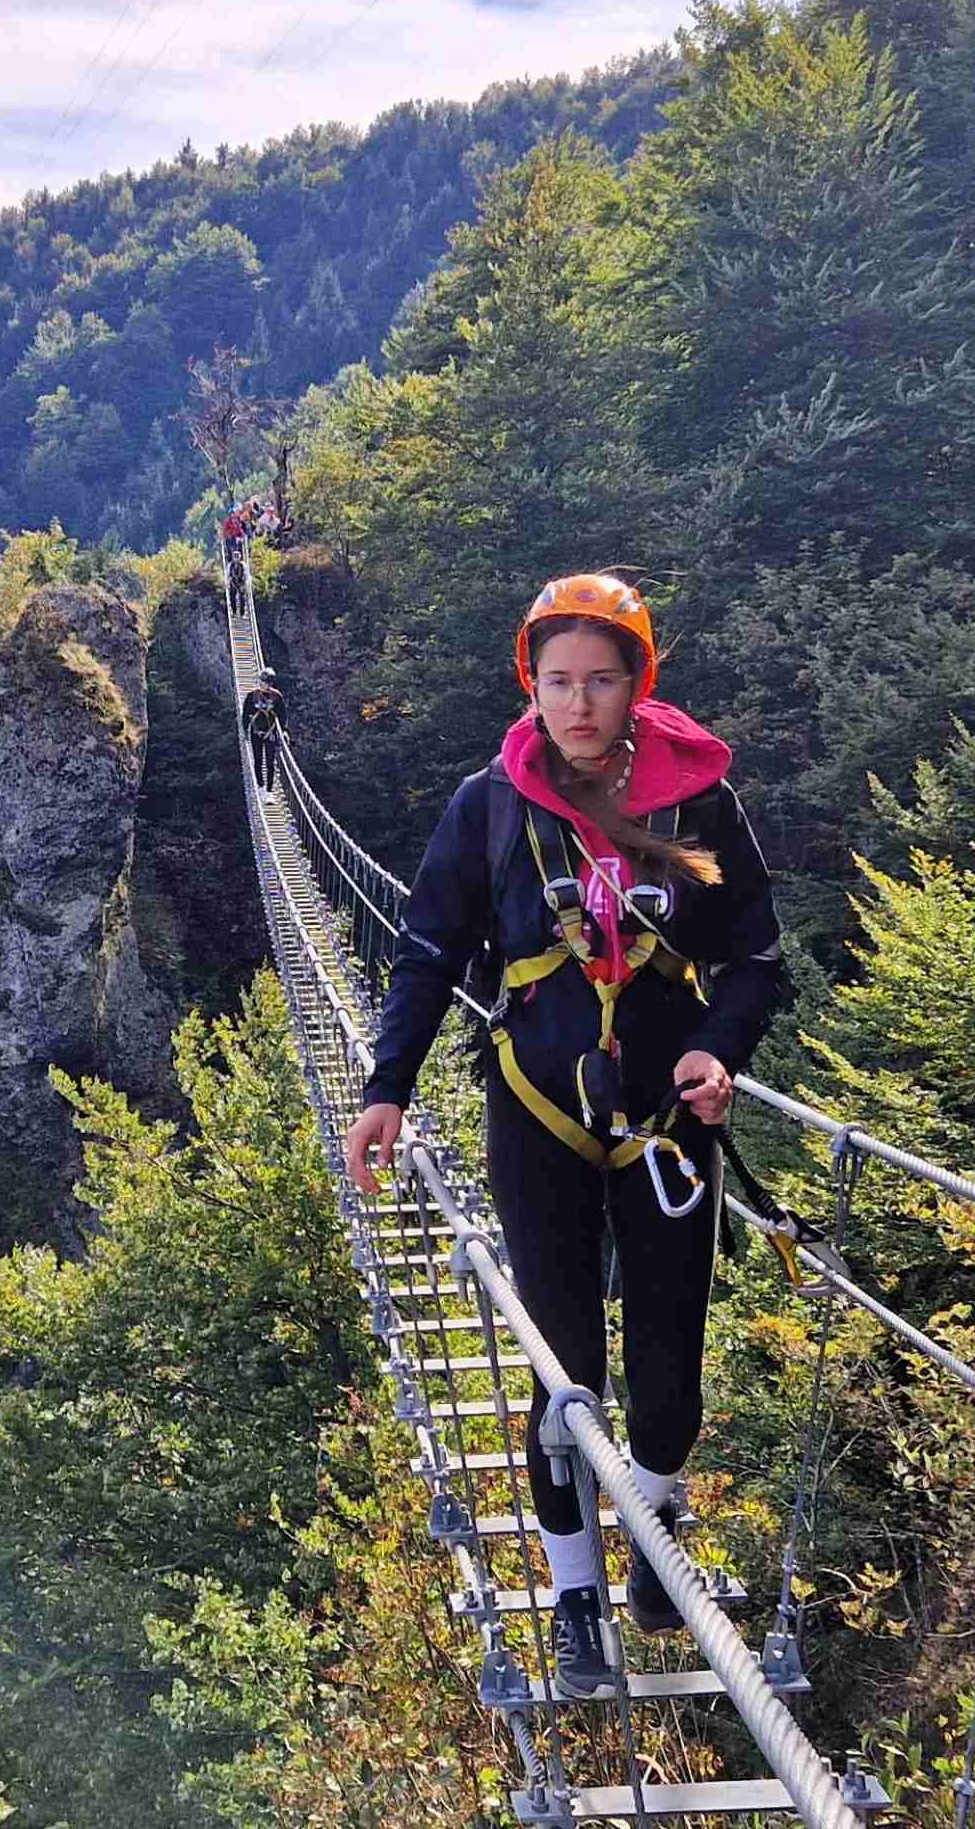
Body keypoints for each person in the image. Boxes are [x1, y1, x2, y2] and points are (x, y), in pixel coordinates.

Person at [340, 572, 792, 1695]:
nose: (578, 704)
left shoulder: (698, 801)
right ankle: (576, 1593)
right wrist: (387, 1085)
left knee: (670, 1373)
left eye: (600, 680)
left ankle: (655, 1533)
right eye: (557, 681)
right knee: (565, 1371)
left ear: (638, 684)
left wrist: (719, 1050)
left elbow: (755, 958)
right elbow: (429, 951)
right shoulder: (490, 805)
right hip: (537, 1113)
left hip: (666, 1120)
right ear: (530, 687)